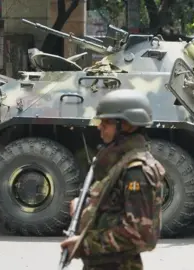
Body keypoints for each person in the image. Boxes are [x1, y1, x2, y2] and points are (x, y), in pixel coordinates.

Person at [60, 89, 165, 270]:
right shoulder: (119, 161)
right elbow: (114, 207)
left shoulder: (137, 170)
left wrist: (83, 244)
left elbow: (140, 235)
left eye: (107, 122)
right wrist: (86, 205)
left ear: (127, 126)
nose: (100, 126)